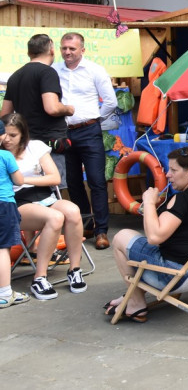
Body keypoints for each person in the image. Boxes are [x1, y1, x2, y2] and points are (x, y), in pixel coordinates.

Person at [105, 148, 188, 322]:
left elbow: (154, 238)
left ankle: (136, 303)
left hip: (171, 276)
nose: (168, 175)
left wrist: (148, 202)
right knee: (145, 242)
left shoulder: (182, 199)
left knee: (121, 237)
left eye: (174, 170)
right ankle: (130, 296)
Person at [2, 113, 88, 300]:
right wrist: (24, 182)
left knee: (73, 211)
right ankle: (39, 278)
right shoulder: (2, 153)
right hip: (16, 201)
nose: (7, 139)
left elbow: (55, 178)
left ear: (23, 134)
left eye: (13, 135)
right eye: (5, 134)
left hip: (44, 196)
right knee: (54, 217)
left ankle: (74, 269)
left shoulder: (35, 147)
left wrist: (22, 179)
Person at [55, 32, 117, 250]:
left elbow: (111, 101)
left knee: (96, 181)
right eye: (64, 48)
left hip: (89, 130)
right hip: (64, 131)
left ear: (82, 49)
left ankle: (101, 231)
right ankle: (87, 223)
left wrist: (94, 118)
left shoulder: (95, 70)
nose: (67, 52)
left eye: (72, 48)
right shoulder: (54, 71)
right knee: (72, 181)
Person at [0, 34, 75, 187]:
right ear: (52, 50)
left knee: (27, 189)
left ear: (29, 53)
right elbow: (52, 108)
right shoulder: (47, 72)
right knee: (55, 189)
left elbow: (4, 115)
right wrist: (68, 109)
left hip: (24, 144)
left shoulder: (15, 76)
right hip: (49, 143)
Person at [0, 141, 27, 308]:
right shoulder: (5, 155)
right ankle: (4, 293)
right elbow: (19, 181)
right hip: (4, 204)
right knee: (3, 248)